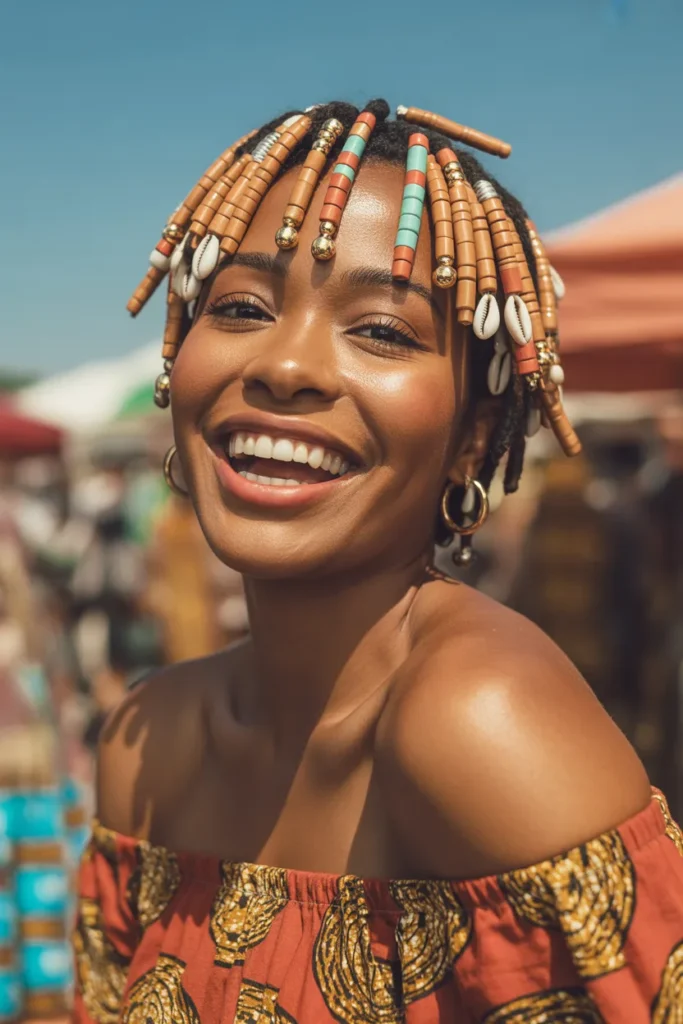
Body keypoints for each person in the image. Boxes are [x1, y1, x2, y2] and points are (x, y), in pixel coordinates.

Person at [74, 100, 683, 1023]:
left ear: (473, 438)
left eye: (383, 331)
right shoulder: (146, 744)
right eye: (240, 308)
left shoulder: (477, 724)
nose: (286, 366)